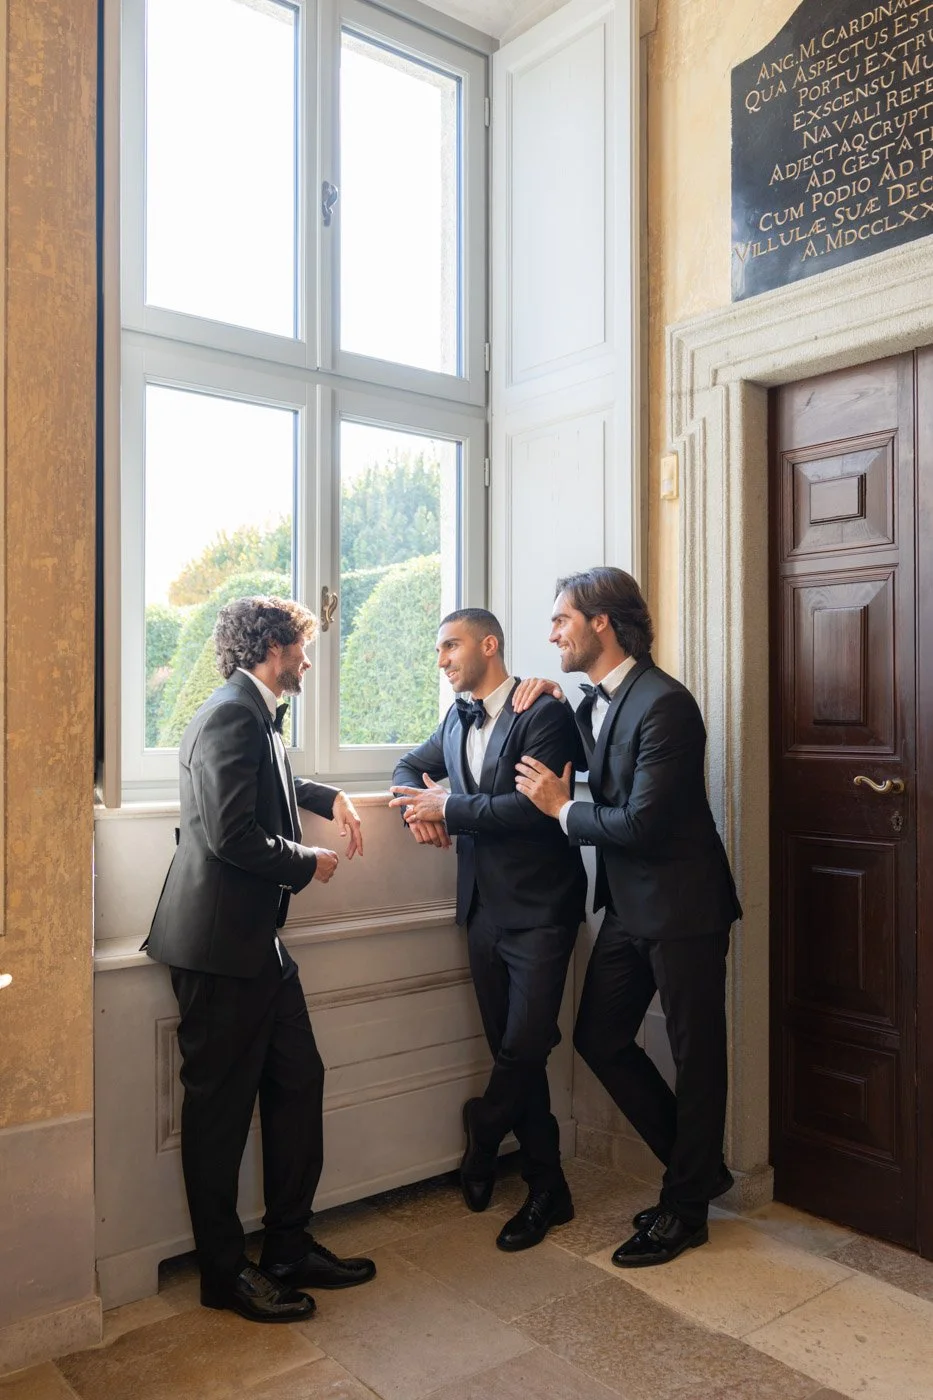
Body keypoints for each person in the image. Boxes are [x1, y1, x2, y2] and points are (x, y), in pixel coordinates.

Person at [144, 596, 376, 1322]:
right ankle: (222, 1274)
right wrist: (307, 860)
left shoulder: (253, 712)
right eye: (303, 646)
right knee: (217, 1119)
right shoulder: (229, 713)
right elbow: (229, 834)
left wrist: (326, 793)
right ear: (273, 645)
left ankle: (287, 1247)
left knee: (298, 1082)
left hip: (256, 946)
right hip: (218, 951)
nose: (309, 659)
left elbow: (265, 785)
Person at [513, 567, 741, 1267]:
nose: (551, 631)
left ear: (601, 623)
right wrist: (555, 698)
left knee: (697, 1057)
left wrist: (562, 808)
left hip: (682, 907)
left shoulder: (666, 703)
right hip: (626, 909)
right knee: (599, 1037)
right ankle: (694, 1170)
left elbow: (641, 822)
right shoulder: (595, 703)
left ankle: (685, 1209)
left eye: (561, 620)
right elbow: (599, 763)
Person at [389, 609, 586, 1251]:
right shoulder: (454, 717)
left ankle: (483, 1132)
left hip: (541, 912)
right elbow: (404, 767)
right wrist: (416, 809)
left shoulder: (544, 713)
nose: (442, 659)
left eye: (450, 646)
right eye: (439, 648)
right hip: (480, 913)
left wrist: (446, 806)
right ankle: (547, 1187)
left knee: (526, 1044)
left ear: (488, 644)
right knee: (511, 1045)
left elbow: (533, 813)